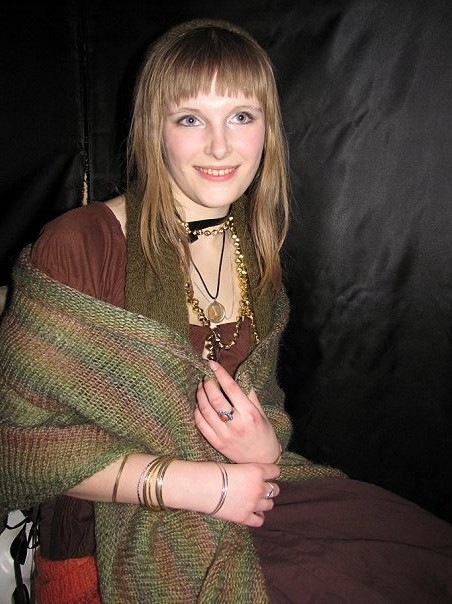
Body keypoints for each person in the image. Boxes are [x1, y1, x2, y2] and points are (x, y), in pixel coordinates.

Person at [1, 18, 452, 604]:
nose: (220, 146)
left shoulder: (253, 251)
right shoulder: (80, 245)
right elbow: (15, 450)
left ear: (267, 129)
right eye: (191, 119)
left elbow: (262, 410)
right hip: (113, 535)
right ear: (155, 129)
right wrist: (202, 486)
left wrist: (262, 446)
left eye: (241, 116)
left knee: (419, 552)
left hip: (248, 492)